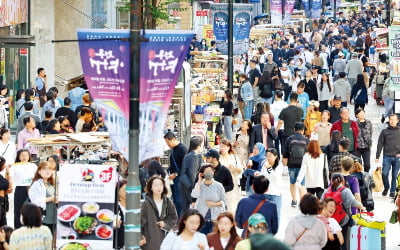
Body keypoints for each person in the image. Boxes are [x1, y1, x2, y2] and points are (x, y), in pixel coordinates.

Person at [320, 174, 364, 250]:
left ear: (331, 181)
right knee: (344, 243)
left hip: (329, 222)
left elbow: (320, 204)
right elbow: (354, 203)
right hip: (343, 221)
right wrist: (362, 207)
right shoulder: (345, 191)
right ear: (343, 181)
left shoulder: (326, 191)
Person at [141, 176, 178, 250]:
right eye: (156, 185)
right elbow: (139, 222)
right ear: (151, 187)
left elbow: (173, 217)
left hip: (165, 237)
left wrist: (165, 224)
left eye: (161, 184)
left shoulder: (168, 202)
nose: (159, 187)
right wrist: (140, 236)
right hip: (150, 238)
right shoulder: (146, 204)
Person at [191, 164, 226, 234]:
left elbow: (224, 202)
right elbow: (194, 195)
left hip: (215, 218)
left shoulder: (219, 186)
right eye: (206, 171)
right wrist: (199, 181)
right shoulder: (199, 185)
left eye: (210, 171)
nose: (209, 173)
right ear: (202, 174)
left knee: (213, 240)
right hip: (202, 218)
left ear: (213, 172)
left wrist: (214, 204)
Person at [282, 122, 309, 207]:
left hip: (292, 164)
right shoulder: (306, 140)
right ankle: (302, 202)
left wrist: (285, 163)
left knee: (292, 182)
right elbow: (308, 153)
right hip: (303, 165)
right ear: (303, 130)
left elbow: (285, 152)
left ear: (294, 130)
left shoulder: (289, 139)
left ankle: (294, 201)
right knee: (302, 184)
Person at [10, 150, 37, 229]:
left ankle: (31, 226)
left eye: (26, 155)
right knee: (19, 210)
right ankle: (18, 228)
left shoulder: (33, 165)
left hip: (32, 188)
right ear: (19, 157)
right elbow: (10, 177)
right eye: (22, 155)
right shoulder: (14, 166)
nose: (24, 157)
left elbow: (37, 176)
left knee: (32, 209)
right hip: (20, 189)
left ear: (29, 156)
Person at [28, 161, 57, 233]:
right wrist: (51, 198)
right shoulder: (37, 184)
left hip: (54, 218)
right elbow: (35, 201)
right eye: (44, 169)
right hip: (43, 218)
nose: (47, 171)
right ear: (39, 171)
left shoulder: (51, 183)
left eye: (50, 169)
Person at [375, 114, 400, 198]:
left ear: (397, 121)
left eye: (394, 120)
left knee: (394, 175)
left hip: (397, 157)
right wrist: (377, 156)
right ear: (389, 120)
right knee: (384, 173)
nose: (392, 121)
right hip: (387, 156)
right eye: (391, 119)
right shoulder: (384, 131)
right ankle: (386, 187)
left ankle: (392, 191)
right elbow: (380, 144)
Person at [164, 130, 187, 217]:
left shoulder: (182, 149)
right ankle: (178, 219)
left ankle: (181, 219)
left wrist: (176, 174)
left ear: (173, 139)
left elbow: (185, 166)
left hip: (179, 179)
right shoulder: (173, 149)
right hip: (173, 179)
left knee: (179, 200)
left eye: (168, 142)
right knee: (175, 200)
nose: (167, 145)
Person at [256, 148, 283, 221]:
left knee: (276, 215)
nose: (268, 158)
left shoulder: (279, 166)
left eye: (270, 156)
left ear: (275, 156)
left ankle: (274, 231)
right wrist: (259, 174)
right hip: (265, 193)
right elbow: (263, 176)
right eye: (267, 156)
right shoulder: (265, 164)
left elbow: (275, 178)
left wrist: (269, 168)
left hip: (275, 194)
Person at [180, 136, 203, 212]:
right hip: (190, 185)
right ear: (199, 145)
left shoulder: (188, 155)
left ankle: (182, 223)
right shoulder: (194, 156)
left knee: (185, 208)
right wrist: (195, 187)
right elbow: (192, 174)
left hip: (184, 184)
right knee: (192, 207)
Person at [219, 140, 242, 214]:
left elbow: (240, 170)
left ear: (229, 147)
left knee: (232, 204)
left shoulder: (234, 157)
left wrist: (234, 168)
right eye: (221, 146)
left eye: (224, 147)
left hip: (232, 183)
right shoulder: (218, 157)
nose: (222, 148)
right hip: (220, 183)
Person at [354, 108, 372, 172]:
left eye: (363, 113)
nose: (362, 114)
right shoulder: (354, 123)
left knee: (367, 165)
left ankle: (366, 176)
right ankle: (359, 179)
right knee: (358, 164)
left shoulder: (369, 122)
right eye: (360, 113)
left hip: (366, 146)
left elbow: (370, 133)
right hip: (357, 147)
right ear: (357, 115)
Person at [0, 157, 9, 227]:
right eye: (4, 164)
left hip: (2, 202)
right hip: (1, 201)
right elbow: (7, 185)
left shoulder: (1, 177)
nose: (5, 165)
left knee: (3, 225)